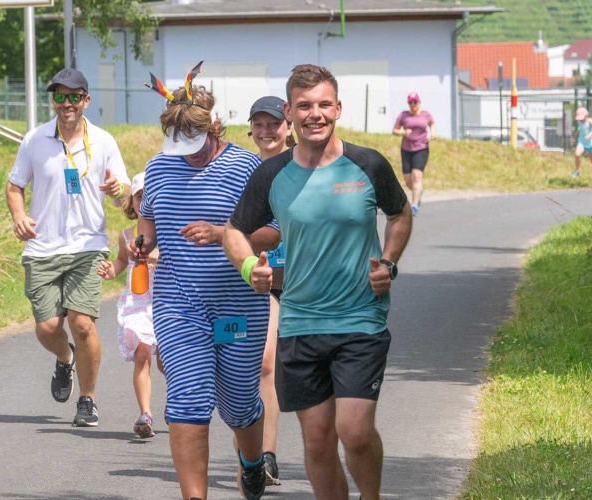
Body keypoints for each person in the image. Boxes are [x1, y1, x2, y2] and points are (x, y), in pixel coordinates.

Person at [224, 64, 413, 500]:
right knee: (317, 441)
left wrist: (388, 261)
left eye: (324, 104)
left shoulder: (366, 163)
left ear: (338, 108)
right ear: (290, 113)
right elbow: (235, 231)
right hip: (300, 322)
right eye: (304, 106)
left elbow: (400, 214)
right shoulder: (271, 175)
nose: (315, 114)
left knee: (355, 431)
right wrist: (249, 266)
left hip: (360, 318)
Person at [136, 64, 281, 500]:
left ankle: (252, 461)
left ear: (214, 127)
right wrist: (141, 244)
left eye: (196, 146)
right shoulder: (160, 168)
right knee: (187, 403)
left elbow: (274, 231)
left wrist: (223, 234)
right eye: (181, 147)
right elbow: (148, 221)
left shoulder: (248, 168)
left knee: (238, 404)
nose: (189, 155)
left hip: (237, 307)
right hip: (179, 307)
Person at [5, 68, 129, 427]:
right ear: (53, 100)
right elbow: (14, 186)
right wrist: (19, 216)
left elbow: (124, 196)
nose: (67, 103)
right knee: (47, 327)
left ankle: (87, 400)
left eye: (74, 96)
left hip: (88, 245)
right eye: (60, 96)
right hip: (42, 247)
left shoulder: (104, 142)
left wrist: (118, 191)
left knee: (83, 324)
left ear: (86, 101)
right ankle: (65, 358)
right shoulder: (34, 140)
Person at [246, 95, 294, 486]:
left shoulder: (303, 168)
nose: (266, 131)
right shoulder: (241, 171)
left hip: (304, 285)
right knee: (263, 366)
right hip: (261, 286)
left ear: (288, 126)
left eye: (273, 123)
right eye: (258, 123)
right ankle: (264, 457)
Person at [97, 172, 162, 438]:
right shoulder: (127, 235)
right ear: (132, 203)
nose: (146, 200)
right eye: (139, 196)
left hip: (166, 300)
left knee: (167, 362)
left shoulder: (170, 229)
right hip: (137, 302)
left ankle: (177, 406)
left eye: (151, 194)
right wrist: (111, 270)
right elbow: (122, 261)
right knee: (142, 356)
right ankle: (145, 414)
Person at [391, 92, 434, 217]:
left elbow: (432, 123)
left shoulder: (425, 114)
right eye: (410, 102)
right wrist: (403, 132)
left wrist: (433, 133)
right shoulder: (404, 115)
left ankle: (414, 204)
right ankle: (418, 191)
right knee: (408, 179)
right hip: (406, 149)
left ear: (419, 102)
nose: (413, 104)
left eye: (415, 102)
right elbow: (395, 130)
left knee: (417, 176)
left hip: (421, 148)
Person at [571, 106, 592, 186]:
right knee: (577, 154)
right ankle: (578, 169)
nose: (581, 120)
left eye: (582, 118)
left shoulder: (589, 121)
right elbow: (580, 128)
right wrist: (576, 133)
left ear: (586, 116)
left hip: (590, 143)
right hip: (581, 141)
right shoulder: (579, 122)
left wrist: (590, 134)